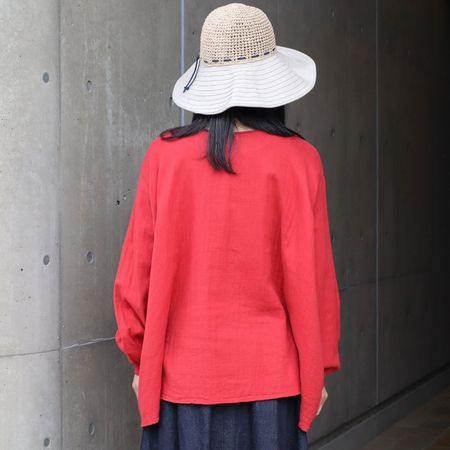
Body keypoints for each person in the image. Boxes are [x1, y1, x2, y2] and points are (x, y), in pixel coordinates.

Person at [113, 3, 341, 449]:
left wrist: (142, 361)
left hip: (181, 378)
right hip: (274, 380)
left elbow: (135, 274)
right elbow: (315, 280)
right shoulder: (300, 159)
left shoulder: (165, 156)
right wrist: (317, 368)